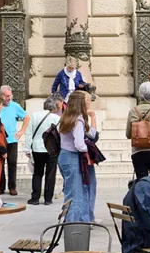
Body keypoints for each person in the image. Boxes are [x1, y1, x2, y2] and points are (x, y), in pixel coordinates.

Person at [57, 90, 98, 222]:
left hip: (63, 155)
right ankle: (74, 225)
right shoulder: (78, 119)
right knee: (76, 193)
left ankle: (73, 221)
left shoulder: (66, 117)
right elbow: (79, 144)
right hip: (72, 157)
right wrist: (89, 150)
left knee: (70, 192)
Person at [25, 97, 62, 206]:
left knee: (37, 173)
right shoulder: (56, 118)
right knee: (50, 174)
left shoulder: (34, 116)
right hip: (51, 149)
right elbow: (60, 134)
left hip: (37, 148)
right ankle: (48, 198)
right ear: (54, 107)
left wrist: (27, 148)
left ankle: (35, 197)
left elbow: (29, 133)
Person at [0, 85, 29, 196]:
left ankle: (12, 187)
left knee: (12, 163)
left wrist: (21, 131)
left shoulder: (15, 106)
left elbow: (27, 117)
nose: (9, 98)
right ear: (1, 96)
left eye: (10, 95)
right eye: (6, 96)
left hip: (12, 140)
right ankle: (0, 187)